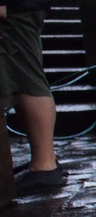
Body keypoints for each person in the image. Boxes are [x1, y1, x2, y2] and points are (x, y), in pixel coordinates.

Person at [0, 0, 65, 199]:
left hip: (17, 10)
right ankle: (43, 162)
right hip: (23, 8)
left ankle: (45, 165)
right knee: (24, 79)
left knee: (27, 80)